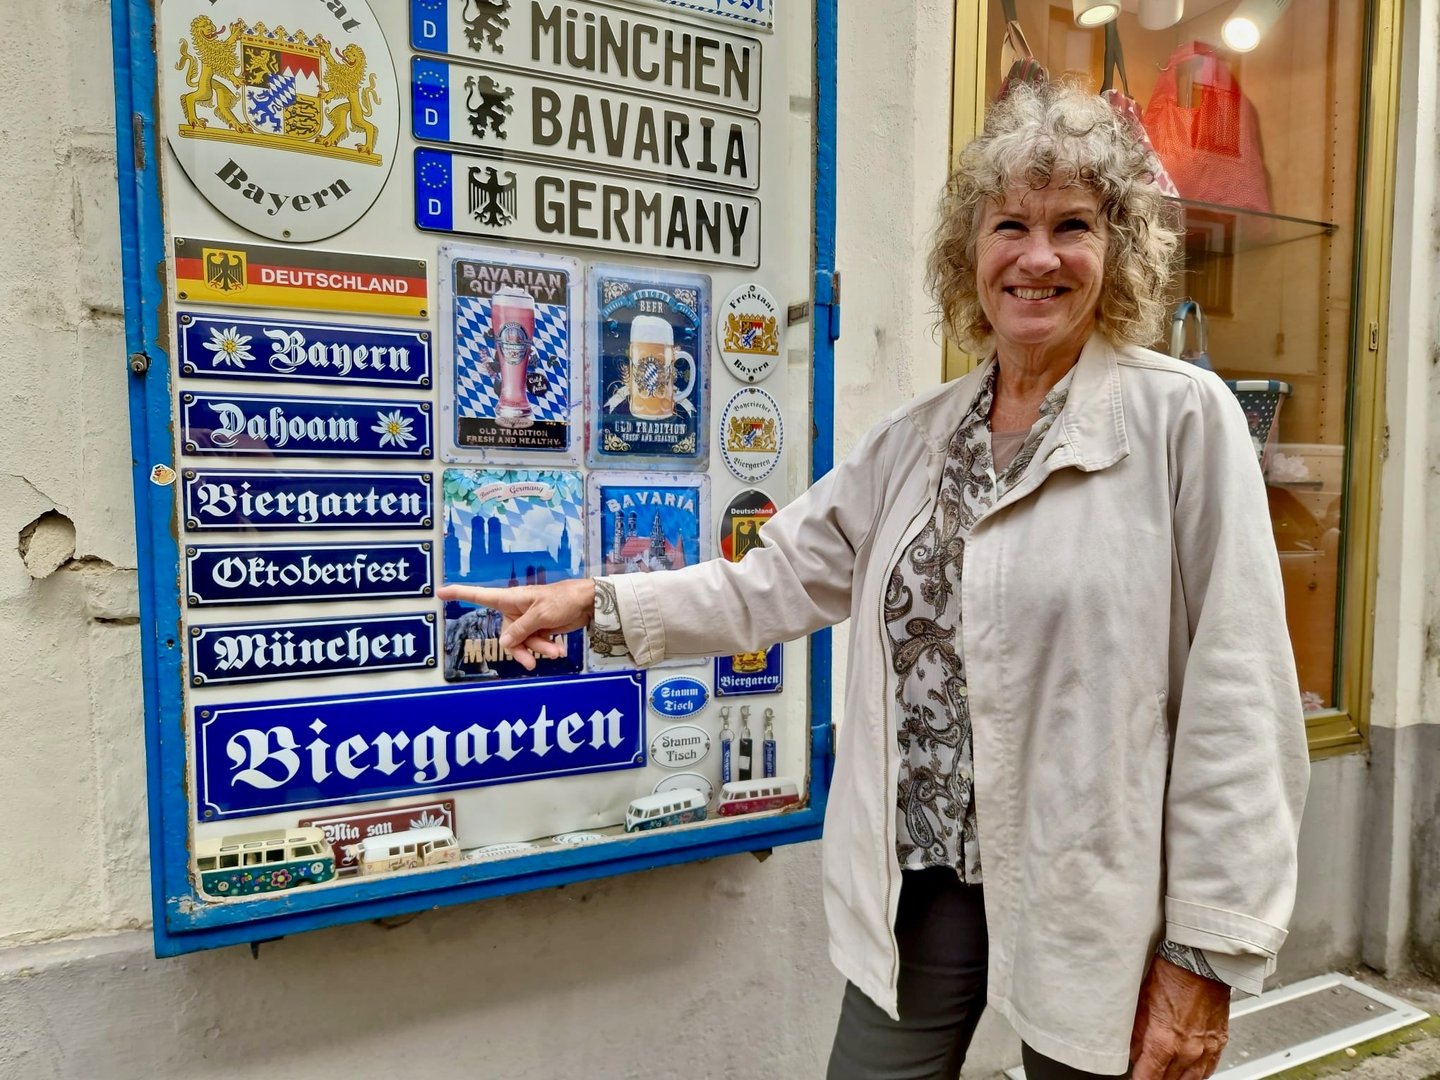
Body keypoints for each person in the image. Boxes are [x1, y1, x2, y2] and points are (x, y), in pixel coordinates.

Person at [438, 80, 1309, 1080]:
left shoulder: (1178, 422)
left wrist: (1207, 949)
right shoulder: (918, 441)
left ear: (1115, 251)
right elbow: (770, 582)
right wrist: (596, 605)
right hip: (923, 879)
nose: (1037, 256)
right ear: (968, 255)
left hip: (1092, 893)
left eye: (1072, 225)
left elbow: (1238, 702)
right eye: (1009, 225)